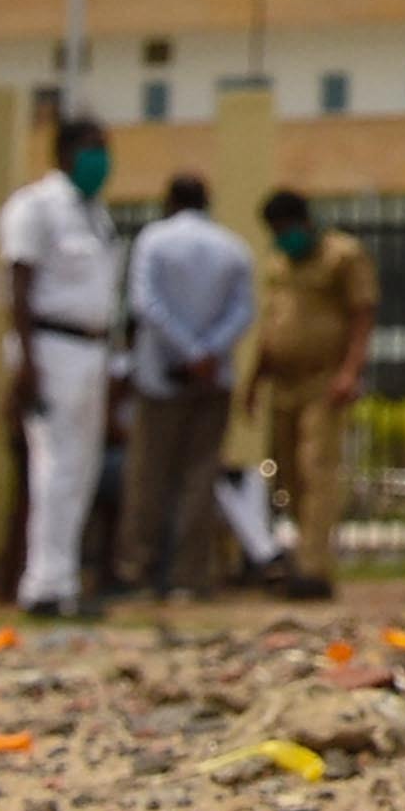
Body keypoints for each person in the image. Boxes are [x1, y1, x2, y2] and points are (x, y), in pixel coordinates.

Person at [0, 114, 120, 618]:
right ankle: (43, 585)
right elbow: (17, 281)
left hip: (92, 350)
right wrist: (25, 361)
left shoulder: (96, 216)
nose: (100, 159)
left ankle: (64, 580)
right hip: (49, 347)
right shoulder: (34, 208)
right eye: (91, 148)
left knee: (81, 469)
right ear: (65, 152)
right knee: (52, 465)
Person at [121, 172, 255, 600]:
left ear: (170, 201)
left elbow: (146, 304)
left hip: (161, 376)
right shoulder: (233, 247)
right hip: (212, 378)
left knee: (149, 475)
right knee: (201, 476)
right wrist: (206, 353)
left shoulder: (154, 240)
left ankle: (140, 571)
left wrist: (185, 351)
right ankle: (190, 576)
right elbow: (243, 311)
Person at [243, 188, 375, 600]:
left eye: (287, 228)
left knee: (317, 468)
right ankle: (302, 556)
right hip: (284, 382)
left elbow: (363, 315)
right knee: (288, 474)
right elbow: (271, 325)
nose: (284, 238)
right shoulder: (279, 265)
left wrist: (350, 371)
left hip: (324, 380)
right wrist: (253, 381)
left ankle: (315, 568)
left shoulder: (342, 256)